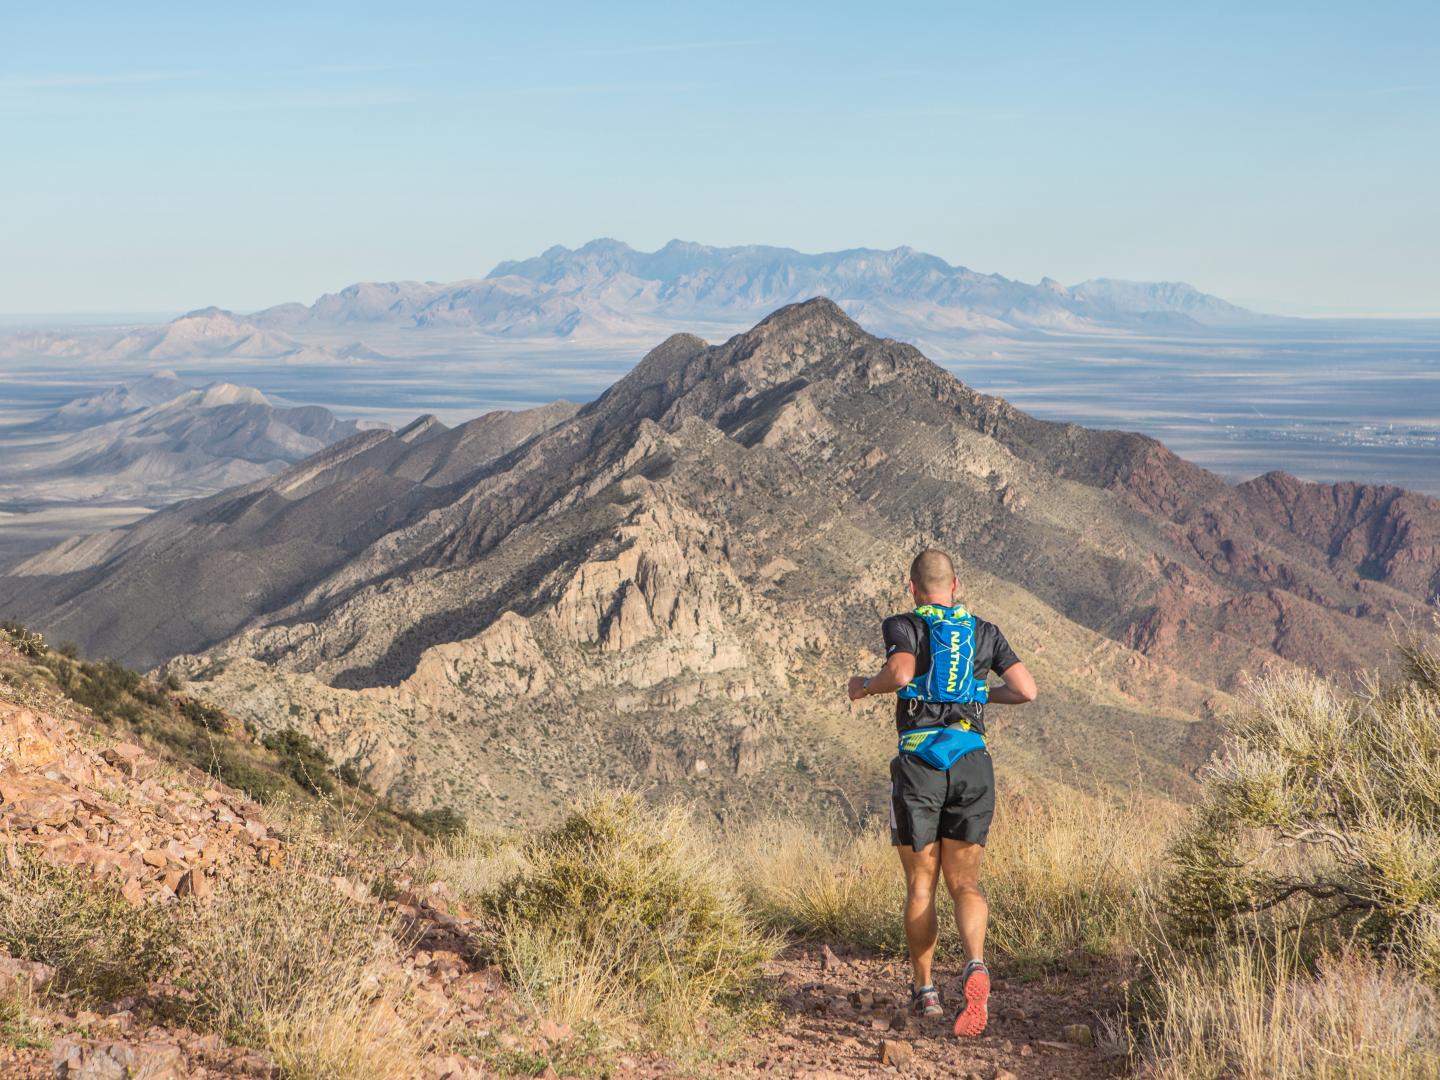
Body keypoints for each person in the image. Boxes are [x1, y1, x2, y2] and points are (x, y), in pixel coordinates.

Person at [847, 548, 1036, 1038]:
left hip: (921, 767)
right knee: (966, 884)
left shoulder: (904, 625)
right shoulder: (984, 631)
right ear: (956, 587)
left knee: (921, 885)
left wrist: (865, 686)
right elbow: (1026, 689)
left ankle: (926, 990)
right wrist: (978, 693)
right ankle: (975, 964)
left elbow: (902, 675)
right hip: (973, 762)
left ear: (913, 588)